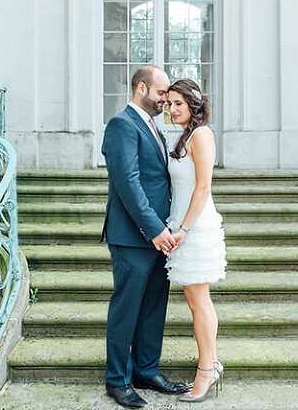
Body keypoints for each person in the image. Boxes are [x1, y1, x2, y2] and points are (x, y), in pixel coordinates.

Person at [101, 65, 190, 408]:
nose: (165, 99)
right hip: (133, 235)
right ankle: (118, 380)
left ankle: (146, 370)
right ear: (141, 88)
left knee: (154, 307)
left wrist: (165, 228)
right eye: (161, 92)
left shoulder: (153, 126)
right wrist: (154, 228)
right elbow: (128, 182)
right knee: (127, 308)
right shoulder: (122, 125)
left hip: (160, 234)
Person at [164, 78, 227, 403]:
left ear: (193, 104)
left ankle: (207, 368)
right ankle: (210, 363)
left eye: (178, 103)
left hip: (195, 227)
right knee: (193, 300)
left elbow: (203, 188)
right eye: (169, 103)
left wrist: (184, 230)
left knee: (199, 300)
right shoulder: (185, 135)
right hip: (181, 224)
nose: (172, 109)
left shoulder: (202, 135)